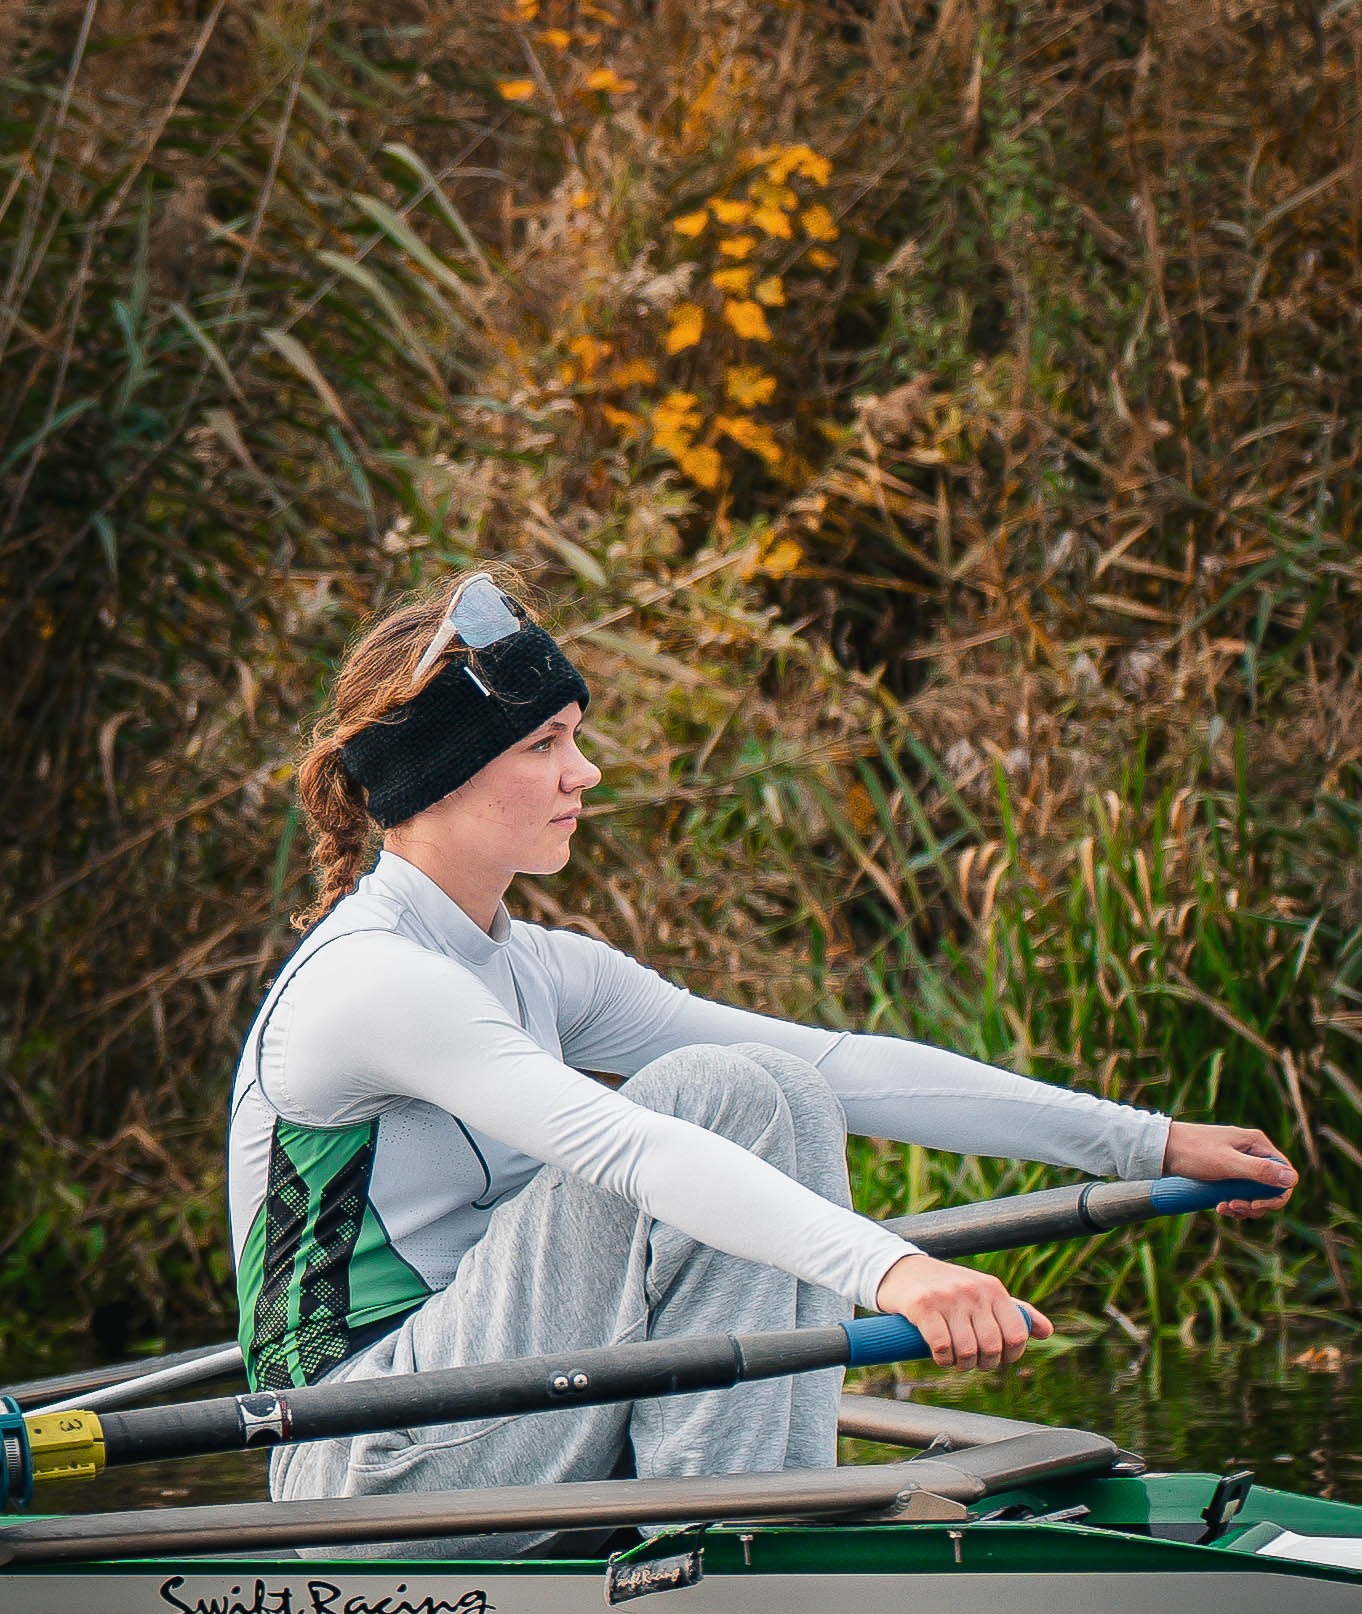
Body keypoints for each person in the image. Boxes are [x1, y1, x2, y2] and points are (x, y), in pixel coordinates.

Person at [227, 571, 1297, 1556]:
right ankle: (737, 1549)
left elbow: (841, 1064)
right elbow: (626, 1146)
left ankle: (756, 1519)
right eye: (545, 744)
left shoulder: (537, 967)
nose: (583, 772)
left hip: (504, 1424)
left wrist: (1145, 1140)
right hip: (362, 1466)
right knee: (719, 1093)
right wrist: (893, 1270)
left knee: (780, 1082)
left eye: (575, 738)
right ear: (444, 777)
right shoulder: (372, 980)